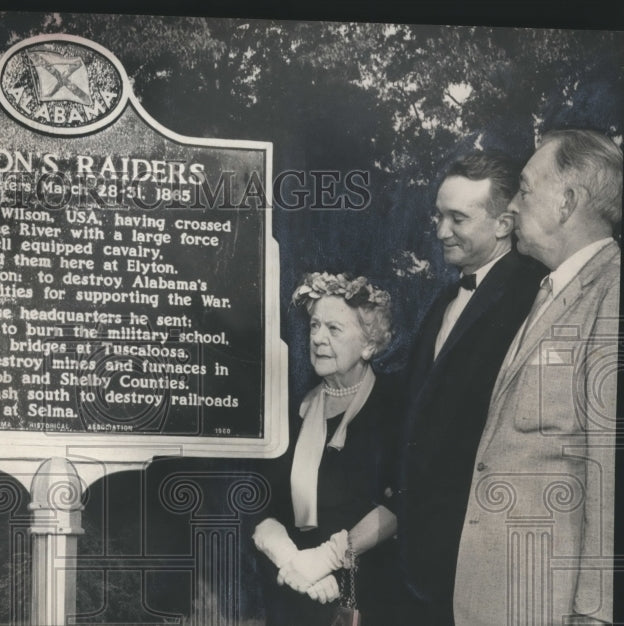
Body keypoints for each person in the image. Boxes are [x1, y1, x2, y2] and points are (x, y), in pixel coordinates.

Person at [455, 129, 620, 625]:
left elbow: (609, 470)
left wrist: (595, 612)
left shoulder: (613, 291)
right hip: (501, 597)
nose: (512, 210)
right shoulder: (547, 291)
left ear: (567, 202)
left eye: (525, 190)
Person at [392, 151, 546, 624]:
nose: (440, 231)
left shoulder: (535, 294)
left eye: (457, 218)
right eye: (439, 215)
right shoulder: (444, 296)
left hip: (479, 550)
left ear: (504, 224)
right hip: (424, 552)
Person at [252, 272, 400, 626]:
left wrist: (328, 559)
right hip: (294, 594)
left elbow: (404, 504)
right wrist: (294, 562)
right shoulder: (293, 408)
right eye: (314, 326)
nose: (317, 338)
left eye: (333, 330)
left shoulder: (395, 406)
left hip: (369, 597)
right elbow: (261, 504)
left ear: (369, 344)